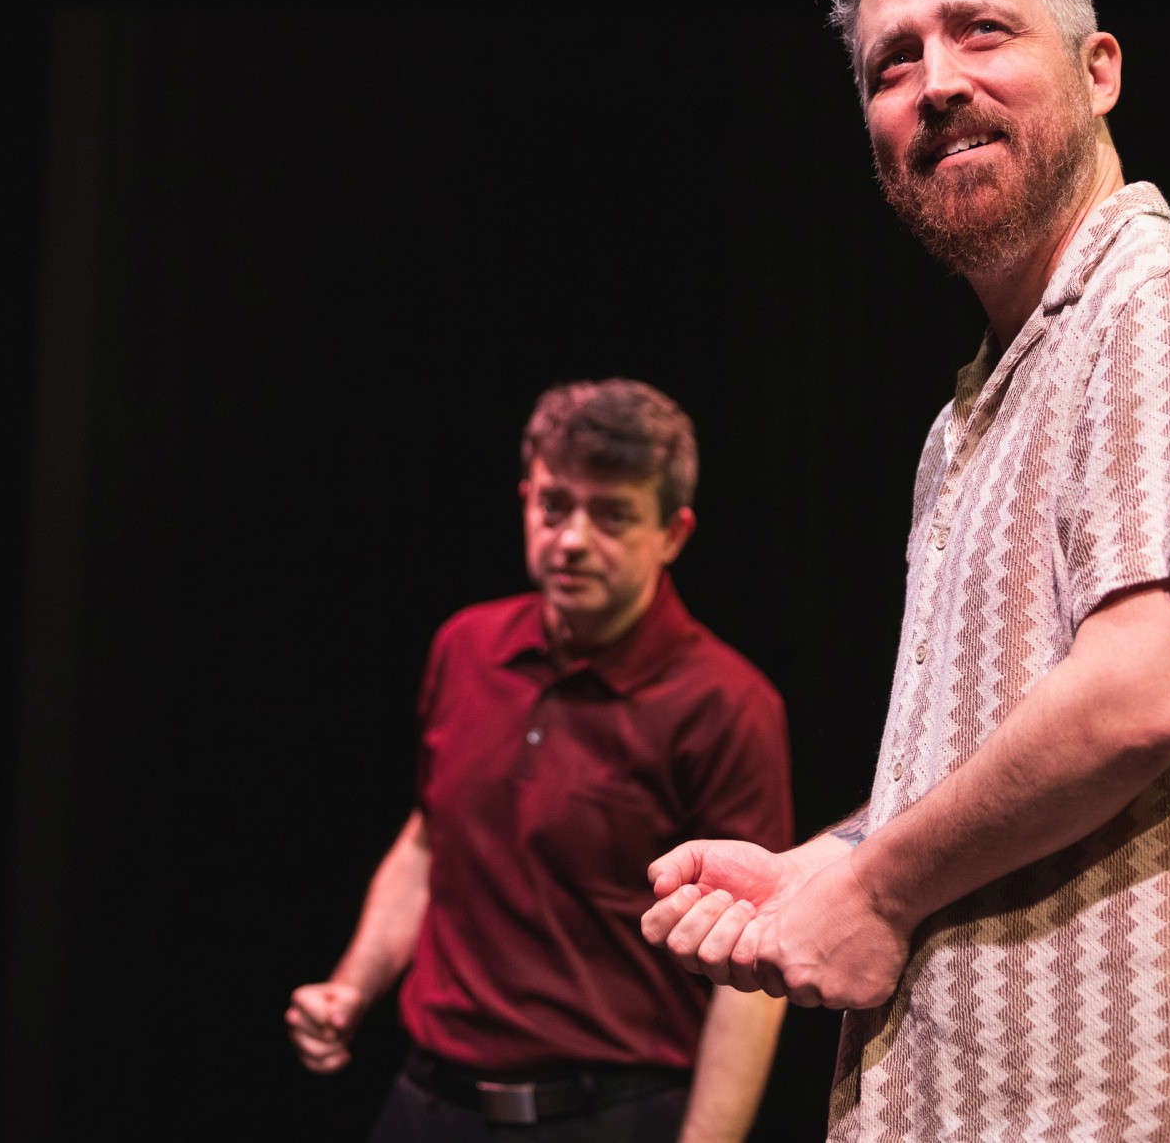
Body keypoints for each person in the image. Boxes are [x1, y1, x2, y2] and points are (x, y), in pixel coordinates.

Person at [641, 0, 1170, 1142]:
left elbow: (1138, 694)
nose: (935, 83)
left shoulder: (1163, 300)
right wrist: (827, 860)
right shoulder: (966, 415)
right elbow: (987, 752)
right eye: (891, 63)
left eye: (981, 31)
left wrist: (876, 889)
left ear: (1098, 70)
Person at [289, 379, 793, 1142]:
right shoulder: (466, 647)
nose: (573, 539)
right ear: (526, 500)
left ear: (673, 533)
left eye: (612, 515)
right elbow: (427, 841)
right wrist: (351, 988)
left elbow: (748, 963)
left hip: (604, 1116)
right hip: (430, 1105)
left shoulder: (726, 703)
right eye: (555, 506)